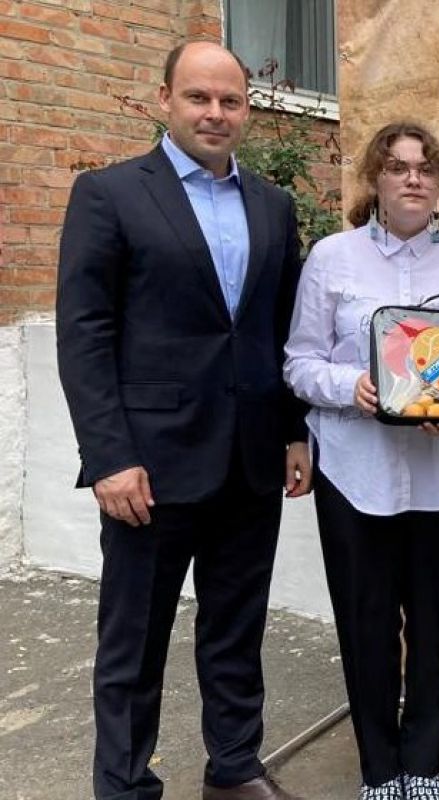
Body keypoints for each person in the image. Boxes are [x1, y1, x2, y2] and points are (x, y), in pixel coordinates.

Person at [56, 41, 311, 800]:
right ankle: (125, 784)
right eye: (199, 97)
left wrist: (292, 430)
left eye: (231, 100)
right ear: (166, 99)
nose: (215, 113)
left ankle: (233, 769)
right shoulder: (109, 194)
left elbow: (278, 327)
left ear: (246, 110)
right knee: (134, 640)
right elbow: (85, 333)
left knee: (236, 629)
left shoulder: (272, 204)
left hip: (250, 460)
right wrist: (109, 456)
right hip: (149, 465)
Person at [283, 121, 439, 800]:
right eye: (399, 167)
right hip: (354, 470)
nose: (413, 179)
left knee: (434, 625)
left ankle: (423, 766)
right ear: (375, 177)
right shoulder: (332, 258)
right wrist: (354, 386)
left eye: (426, 169)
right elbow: (299, 361)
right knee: (366, 624)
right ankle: (379, 769)